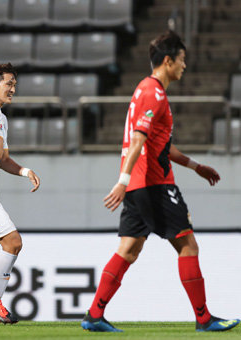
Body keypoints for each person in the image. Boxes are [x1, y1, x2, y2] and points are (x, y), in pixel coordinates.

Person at [81, 30, 240, 333]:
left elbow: (158, 144)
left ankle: (93, 315)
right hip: (154, 184)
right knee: (188, 246)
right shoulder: (153, 93)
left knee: (128, 250)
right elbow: (139, 140)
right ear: (167, 61)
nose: (184, 66)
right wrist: (122, 181)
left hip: (141, 184)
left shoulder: (145, 91)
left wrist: (195, 166)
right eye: (181, 60)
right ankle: (205, 319)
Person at [0, 63, 41, 323]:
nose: (13, 89)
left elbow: (2, 158)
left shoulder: (0, 118)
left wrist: (25, 170)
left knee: (12, 242)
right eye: (9, 84)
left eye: (15, 85)